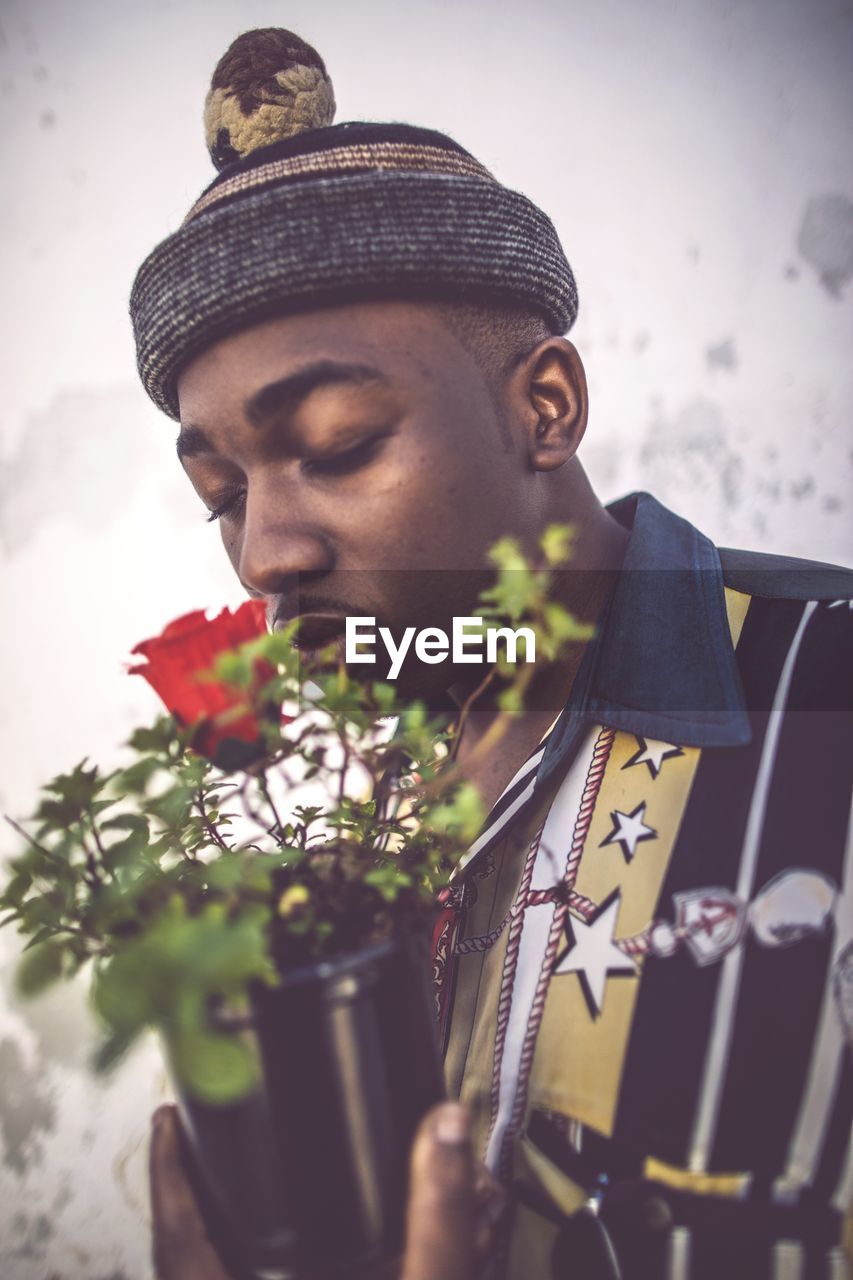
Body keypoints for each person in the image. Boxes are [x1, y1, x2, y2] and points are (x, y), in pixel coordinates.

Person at [133, 27, 853, 1280]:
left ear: (546, 406)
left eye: (341, 443)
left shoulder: (823, 706)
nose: (265, 554)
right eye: (221, 494)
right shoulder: (331, 811)